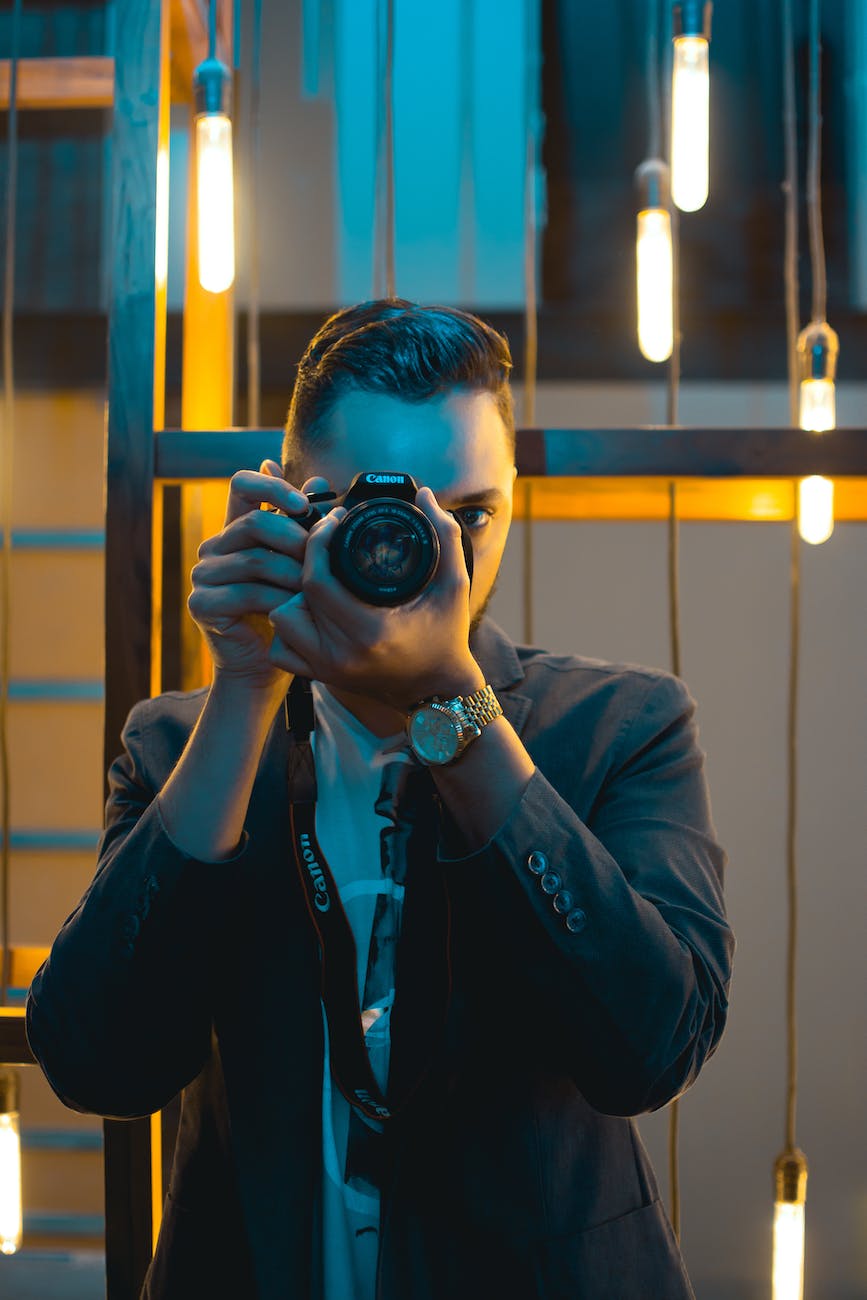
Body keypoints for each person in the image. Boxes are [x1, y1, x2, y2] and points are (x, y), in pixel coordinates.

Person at [26, 299, 734, 1299]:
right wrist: (242, 689)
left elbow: (650, 1048)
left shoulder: (621, 726)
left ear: (513, 503)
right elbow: (99, 1064)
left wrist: (452, 704)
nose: (428, 552)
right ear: (287, 505)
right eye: (379, 512)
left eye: (470, 514)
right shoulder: (185, 746)